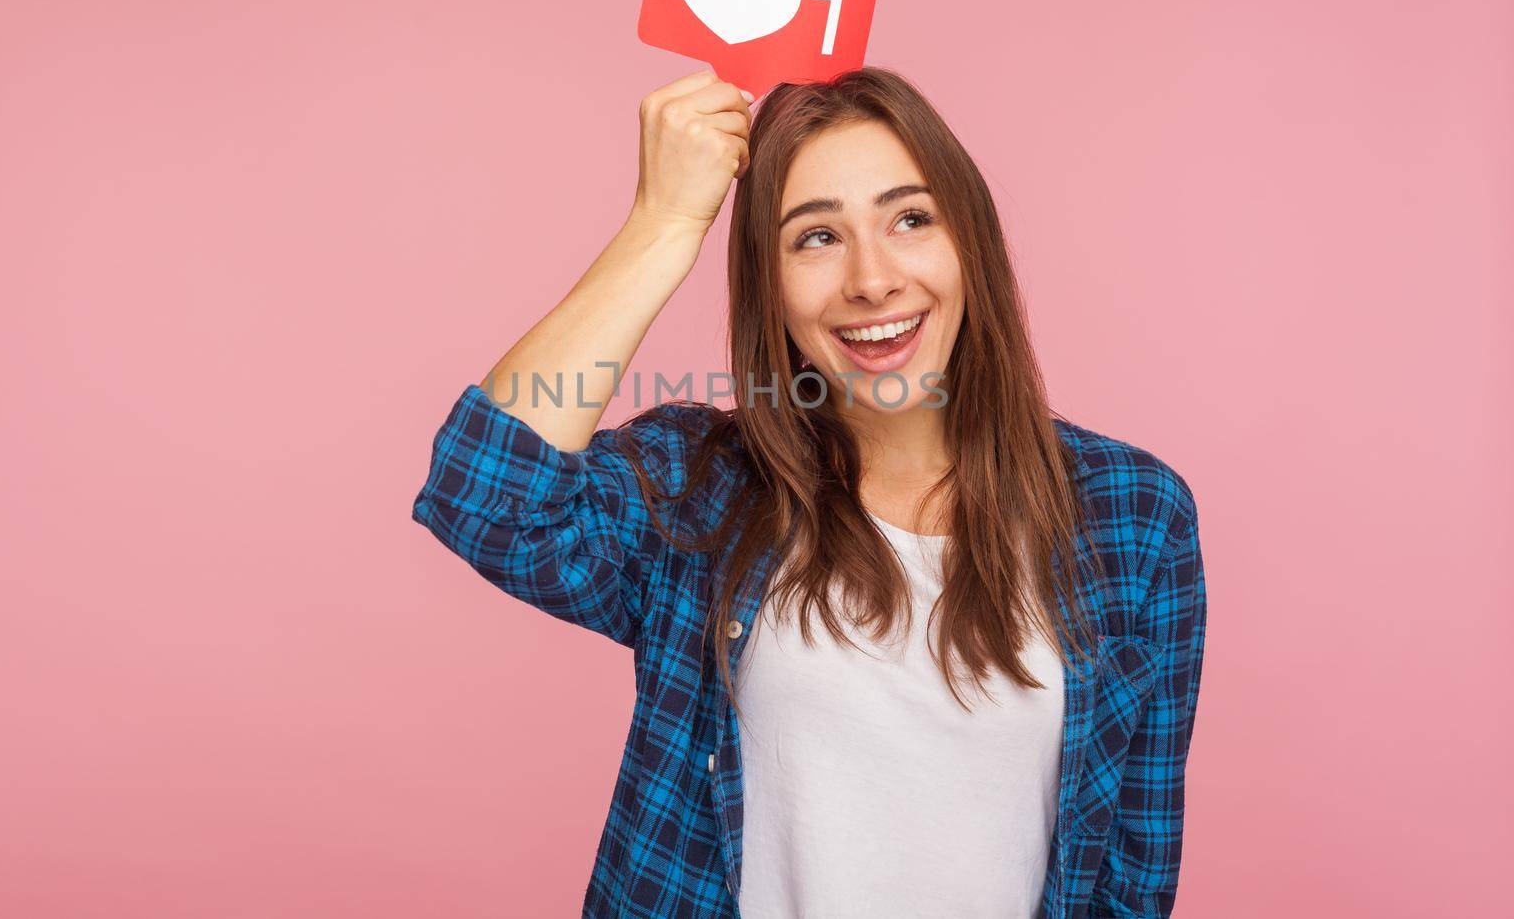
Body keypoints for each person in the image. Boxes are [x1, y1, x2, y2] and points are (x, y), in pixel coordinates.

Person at [412, 66, 1206, 918]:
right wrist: (666, 222)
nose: (873, 279)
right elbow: (483, 489)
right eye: (816, 238)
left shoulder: (1134, 514)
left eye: (910, 219)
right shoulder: (704, 486)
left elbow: (1130, 873)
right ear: (771, 287)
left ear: (970, 242)